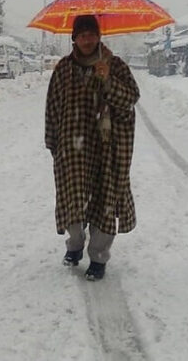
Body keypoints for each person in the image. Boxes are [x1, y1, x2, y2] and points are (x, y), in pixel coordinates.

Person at [45, 14, 140, 281]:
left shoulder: (115, 65)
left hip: (107, 149)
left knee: (104, 201)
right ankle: (74, 246)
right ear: (74, 38)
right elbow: (52, 106)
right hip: (72, 149)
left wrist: (108, 80)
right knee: (72, 200)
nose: (87, 39)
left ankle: (98, 257)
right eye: (82, 35)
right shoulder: (64, 68)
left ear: (99, 36)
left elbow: (131, 99)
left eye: (91, 34)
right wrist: (53, 142)